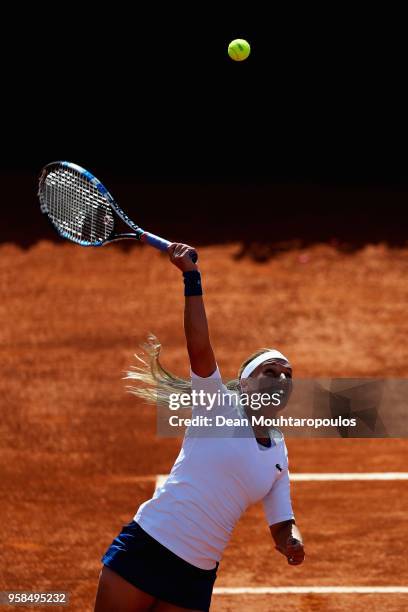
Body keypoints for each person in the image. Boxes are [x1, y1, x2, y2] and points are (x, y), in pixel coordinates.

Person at [94, 243, 305, 612]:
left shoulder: (279, 453)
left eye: (287, 376)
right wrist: (192, 278)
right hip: (148, 547)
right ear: (244, 383)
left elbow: (281, 521)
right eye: (269, 372)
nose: (280, 379)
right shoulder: (217, 405)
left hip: (197, 575)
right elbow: (199, 346)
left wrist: (291, 541)